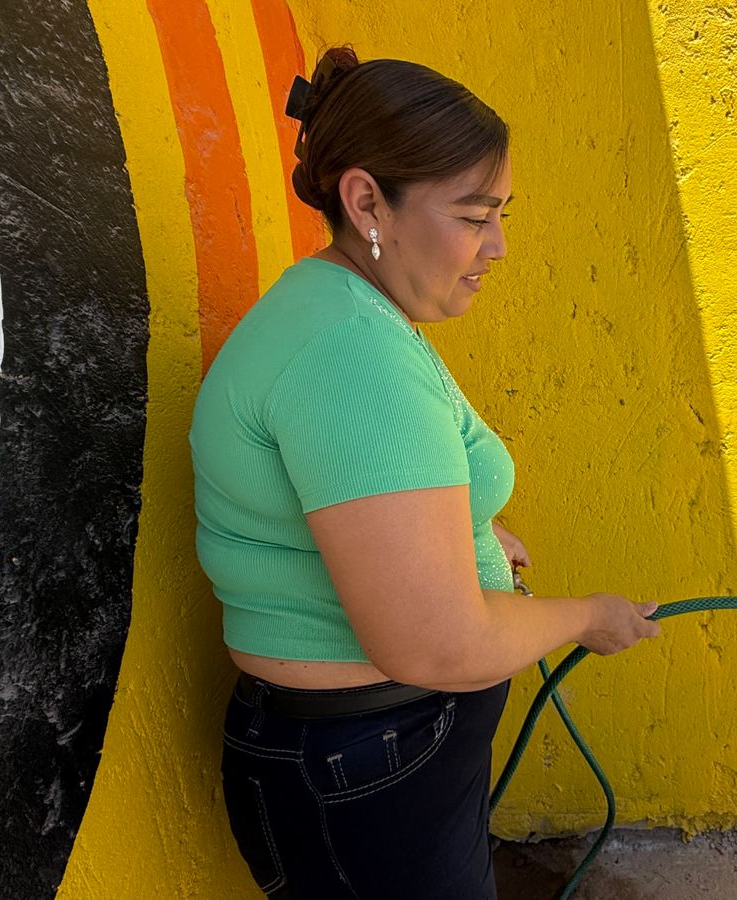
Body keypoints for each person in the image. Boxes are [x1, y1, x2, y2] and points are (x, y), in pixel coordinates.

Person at [189, 46, 662, 899]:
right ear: (367, 200)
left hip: (369, 755)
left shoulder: (336, 309)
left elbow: (351, 502)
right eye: (475, 215)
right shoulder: (350, 353)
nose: (499, 247)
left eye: (501, 214)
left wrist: (469, 533)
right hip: (370, 765)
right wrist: (586, 617)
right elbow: (438, 642)